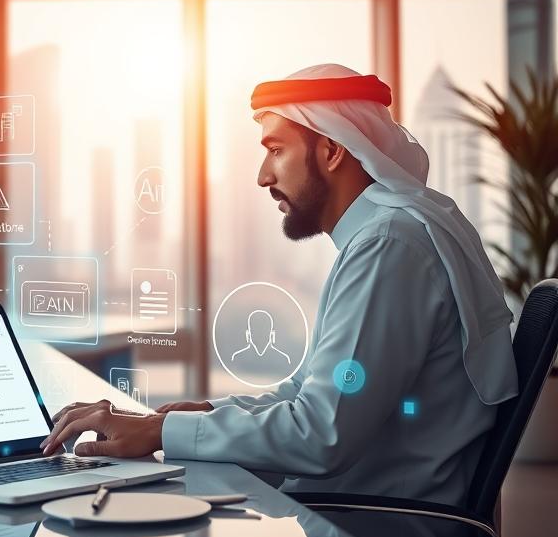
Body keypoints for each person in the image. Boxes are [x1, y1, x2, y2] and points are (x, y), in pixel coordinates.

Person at [41, 63, 518, 505]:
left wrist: (162, 432)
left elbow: (319, 434)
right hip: (362, 516)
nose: (262, 175)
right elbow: (309, 390)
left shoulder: (388, 246)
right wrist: (198, 414)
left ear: (331, 150)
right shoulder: (393, 235)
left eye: (275, 150)